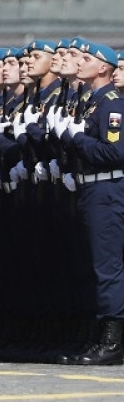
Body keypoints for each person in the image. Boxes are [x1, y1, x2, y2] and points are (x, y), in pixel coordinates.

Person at [56, 40, 124, 365]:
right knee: (96, 267)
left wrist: (76, 138)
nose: (79, 63)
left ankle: (111, 342)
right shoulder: (91, 102)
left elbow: (114, 152)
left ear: (102, 68)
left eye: (86, 59)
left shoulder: (110, 104)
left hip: (106, 191)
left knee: (107, 267)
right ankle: (98, 335)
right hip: (90, 189)